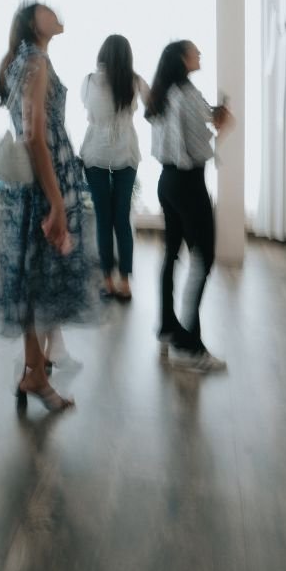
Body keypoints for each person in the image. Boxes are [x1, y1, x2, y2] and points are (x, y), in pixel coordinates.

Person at [0, 2, 89, 413]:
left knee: (35, 281)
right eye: (49, 11)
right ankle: (35, 372)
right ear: (34, 23)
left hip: (33, 184)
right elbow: (35, 135)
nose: (58, 14)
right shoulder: (36, 62)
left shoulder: (23, 61)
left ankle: (36, 369)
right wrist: (56, 202)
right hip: (44, 184)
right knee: (40, 284)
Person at [146, 40, 232, 372]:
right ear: (183, 59)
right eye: (195, 52)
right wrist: (222, 129)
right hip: (188, 184)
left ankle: (168, 329)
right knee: (203, 258)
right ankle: (189, 345)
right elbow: (199, 147)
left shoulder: (164, 93)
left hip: (167, 182)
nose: (200, 55)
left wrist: (211, 120)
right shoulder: (187, 94)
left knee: (171, 254)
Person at [80, 35, 149, 302]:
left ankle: (108, 282)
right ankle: (125, 284)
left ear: (102, 54)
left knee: (103, 219)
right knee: (122, 219)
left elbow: (89, 112)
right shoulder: (134, 81)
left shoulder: (89, 81)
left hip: (95, 153)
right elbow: (154, 106)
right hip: (126, 153)